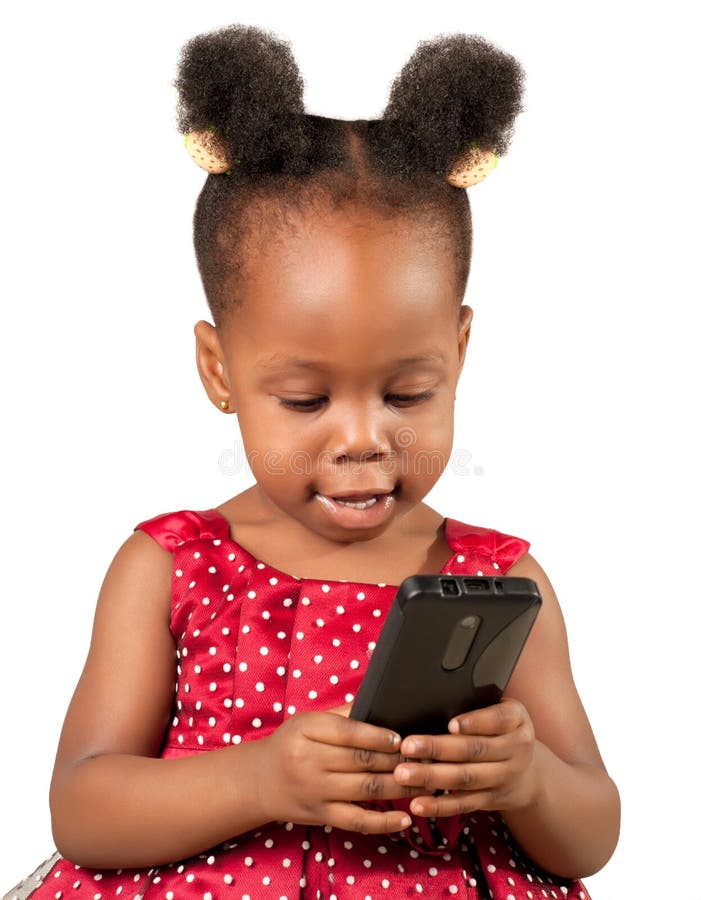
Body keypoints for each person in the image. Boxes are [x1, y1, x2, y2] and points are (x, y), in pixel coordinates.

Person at [3, 23, 620, 900]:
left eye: (407, 394)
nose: (361, 438)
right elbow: (84, 806)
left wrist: (529, 780)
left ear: (460, 350)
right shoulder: (170, 566)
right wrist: (258, 779)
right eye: (304, 400)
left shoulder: (496, 582)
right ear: (220, 371)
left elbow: (591, 832)